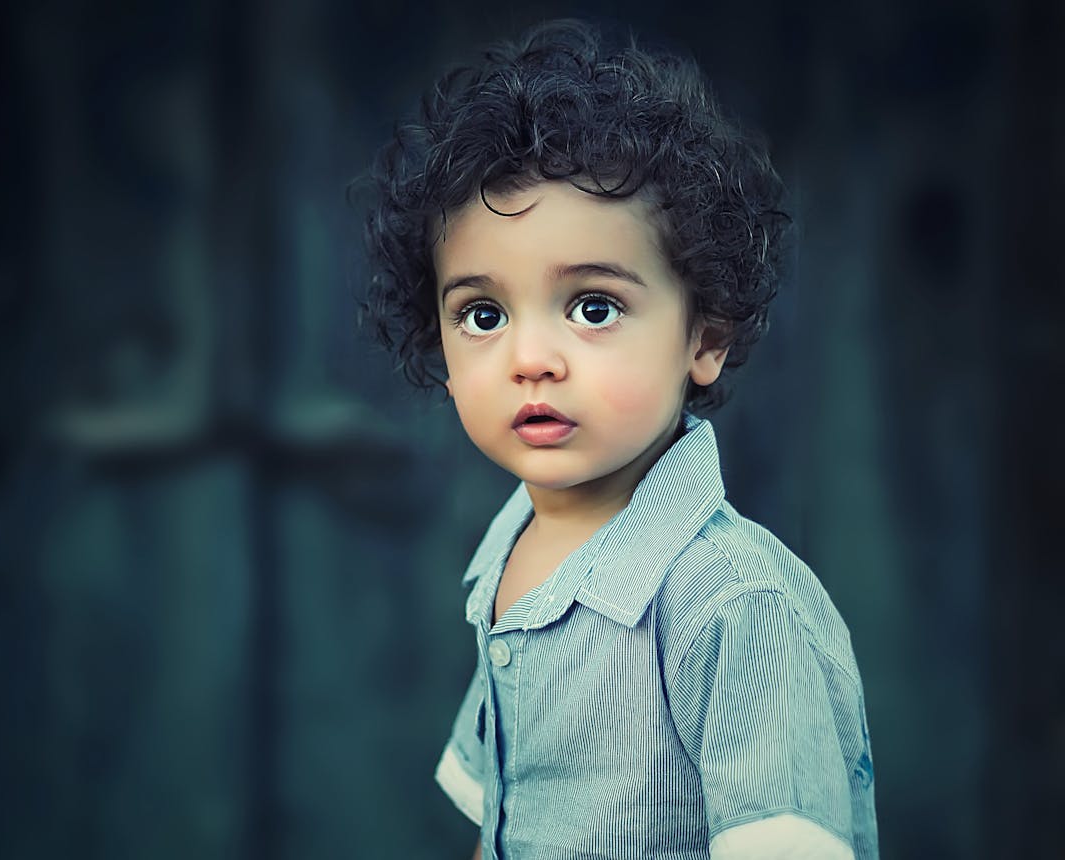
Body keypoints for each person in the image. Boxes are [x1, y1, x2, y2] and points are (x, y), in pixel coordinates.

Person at [358, 18, 878, 860]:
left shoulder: (733, 605)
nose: (531, 359)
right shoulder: (509, 551)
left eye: (593, 307)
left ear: (702, 338)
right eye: (483, 315)